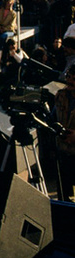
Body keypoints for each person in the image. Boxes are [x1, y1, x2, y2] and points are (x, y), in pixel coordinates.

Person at [55, 65, 75, 201]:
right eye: (68, 77)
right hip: (62, 151)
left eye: (74, 79)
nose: (70, 81)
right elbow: (53, 117)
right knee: (64, 195)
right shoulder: (61, 96)